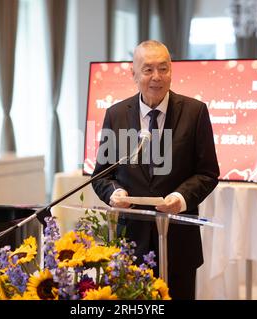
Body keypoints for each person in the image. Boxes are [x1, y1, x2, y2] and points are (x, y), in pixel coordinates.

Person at [91, 40, 219, 299]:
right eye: (148, 70)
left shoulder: (195, 112)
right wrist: (114, 193)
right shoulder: (116, 115)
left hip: (178, 240)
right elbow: (102, 175)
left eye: (164, 69)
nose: (157, 77)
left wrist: (180, 198)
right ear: (134, 74)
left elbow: (208, 172)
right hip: (130, 242)